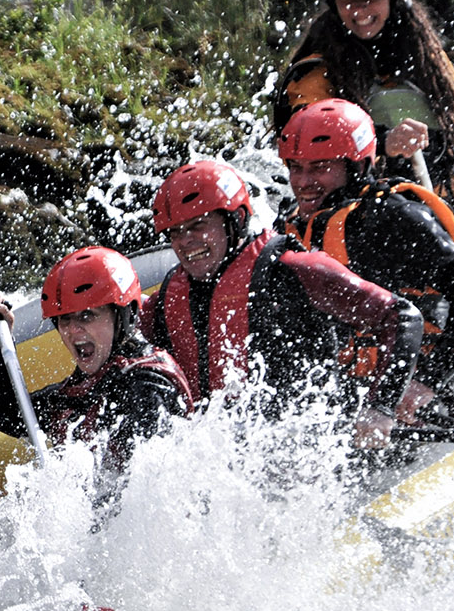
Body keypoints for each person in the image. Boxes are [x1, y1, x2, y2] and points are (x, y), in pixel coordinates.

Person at [141, 159, 424, 452]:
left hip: (314, 453)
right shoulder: (168, 299)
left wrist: (380, 407)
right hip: (226, 463)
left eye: (198, 225)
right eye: (176, 232)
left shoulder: (293, 269)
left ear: (235, 220)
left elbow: (402, 317)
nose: (185, 242)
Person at [278, 98, 454, 421]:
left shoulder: (396, 219)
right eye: (296, 167)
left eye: (320, 167)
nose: (303, 182)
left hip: (411, 387)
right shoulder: (291, 225)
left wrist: (426, 381)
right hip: (345, 392)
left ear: (358, 166)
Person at [275, 0, 454, 242]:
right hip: (351, 217)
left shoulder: (427, 61)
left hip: (428, 212)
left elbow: (453, 144)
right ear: (333, 5)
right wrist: (381, 143)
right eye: (346, 0)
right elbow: (308, 145)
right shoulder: (316, 69)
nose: (359, 9)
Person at [0, 246, 193, 517]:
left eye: (87, 316)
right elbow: (12, 417)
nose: (73, 330)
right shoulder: (91, 382)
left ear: (124, 315)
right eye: (65, 320)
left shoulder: (148, 383)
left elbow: (134, 496)